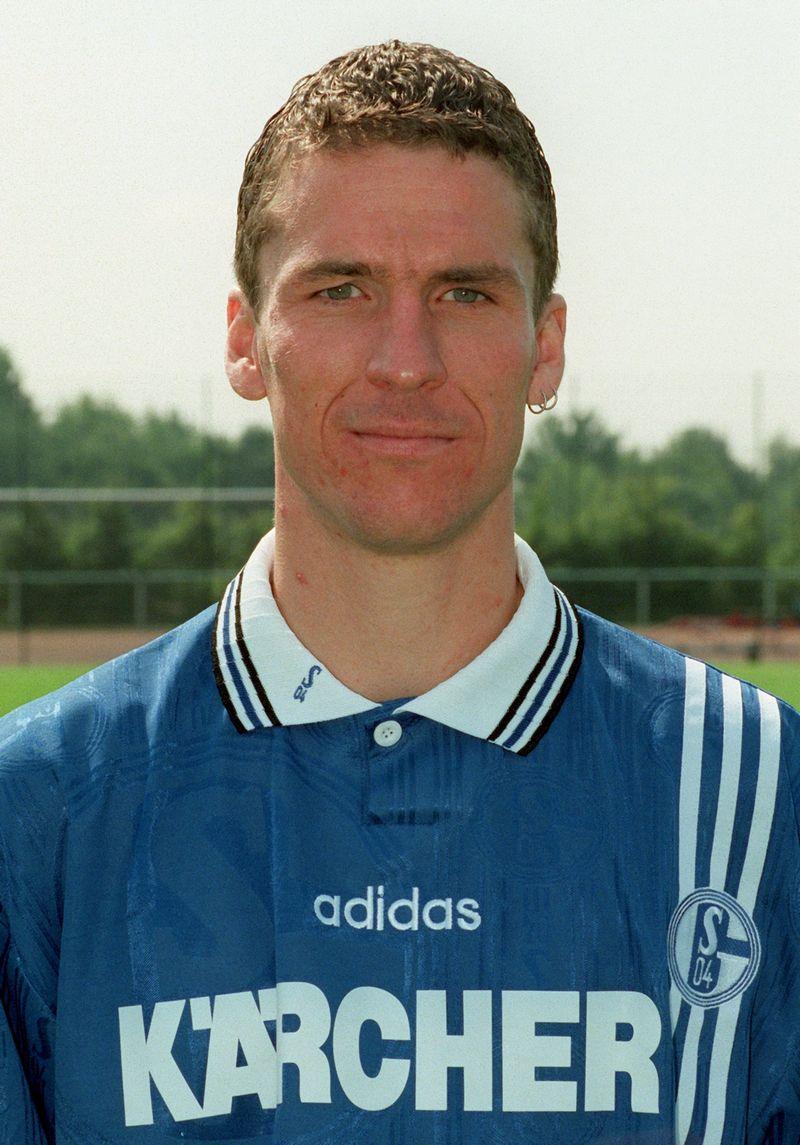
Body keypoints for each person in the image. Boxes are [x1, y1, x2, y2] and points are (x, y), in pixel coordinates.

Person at [0, 39, 797, 1145]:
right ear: (246, 341)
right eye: (341, 289)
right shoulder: (43, 809)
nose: (406, 358)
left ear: (544, 347)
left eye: (465, 292)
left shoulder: (757, 794)